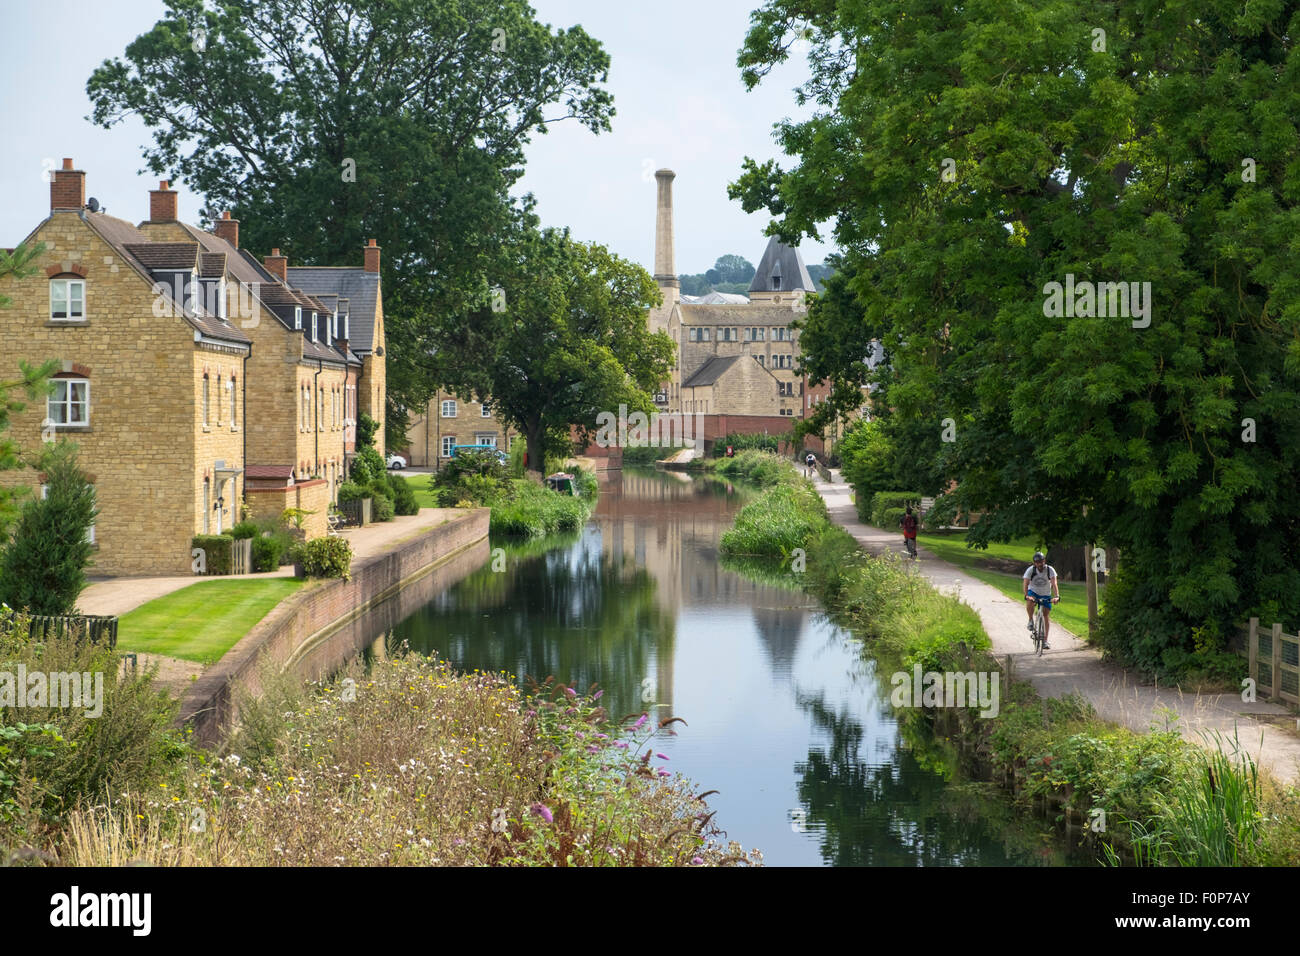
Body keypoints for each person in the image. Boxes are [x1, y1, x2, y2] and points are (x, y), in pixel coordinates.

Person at [1022, 551, 1060, 648]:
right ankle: (1030, 620)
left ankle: (1045, 641)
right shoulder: (1030, 570)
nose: (1040, 564)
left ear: (1044, 561)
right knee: (1030, 601)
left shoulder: (1050, 570)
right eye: (1037, 562)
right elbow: (1025, 583)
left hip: (1045, 594)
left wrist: (1056, 596)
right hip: (1033, 592)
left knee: (1046, 616)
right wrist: (1026, 595)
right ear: (1034, 563)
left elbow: (1054, 583)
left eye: (1041, 561)